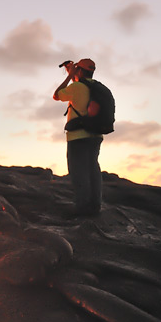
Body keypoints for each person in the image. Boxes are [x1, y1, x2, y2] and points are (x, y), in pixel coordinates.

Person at [53, 58, 103, 216]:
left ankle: (82, 211)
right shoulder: (96, 88)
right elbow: (80, 87)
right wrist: (74, 74)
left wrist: (69, 77)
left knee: (79, 173)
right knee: (93, 169)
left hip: (77, 137)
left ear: (80, 71)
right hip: (95, 136)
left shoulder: (76, 87)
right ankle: (95, 208)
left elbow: (56, 95)